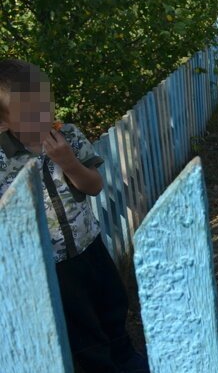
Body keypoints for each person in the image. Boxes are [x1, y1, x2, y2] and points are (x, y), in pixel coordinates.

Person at [0, 60, 149, 373]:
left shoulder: (68, 135)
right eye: (30, 113)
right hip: (52, 264)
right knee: (82, 328)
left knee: (113, 302)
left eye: (46, 104)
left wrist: (68, 162)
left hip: (89, 244)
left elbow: (94, 186)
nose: (43, 117)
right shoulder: (2, 160)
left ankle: (126, 357)